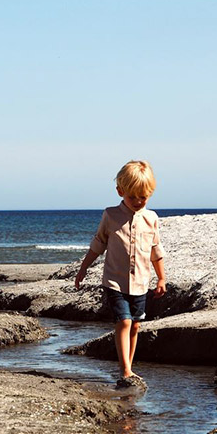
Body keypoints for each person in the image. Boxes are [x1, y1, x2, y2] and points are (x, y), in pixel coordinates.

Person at [74, 160, 167, 387]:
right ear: (120, 191)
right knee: (124, 321)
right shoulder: (111, 215)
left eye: (142, 197)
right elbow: (98, 244)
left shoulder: (151, 218)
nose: (137, 202)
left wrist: (162, 277)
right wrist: (83, 268)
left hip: (141, 282)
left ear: (150, 194)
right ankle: (125, 369)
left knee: (135, 325)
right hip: (115, 281)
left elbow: (156, 250)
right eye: (132, 197)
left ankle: (129, 367)